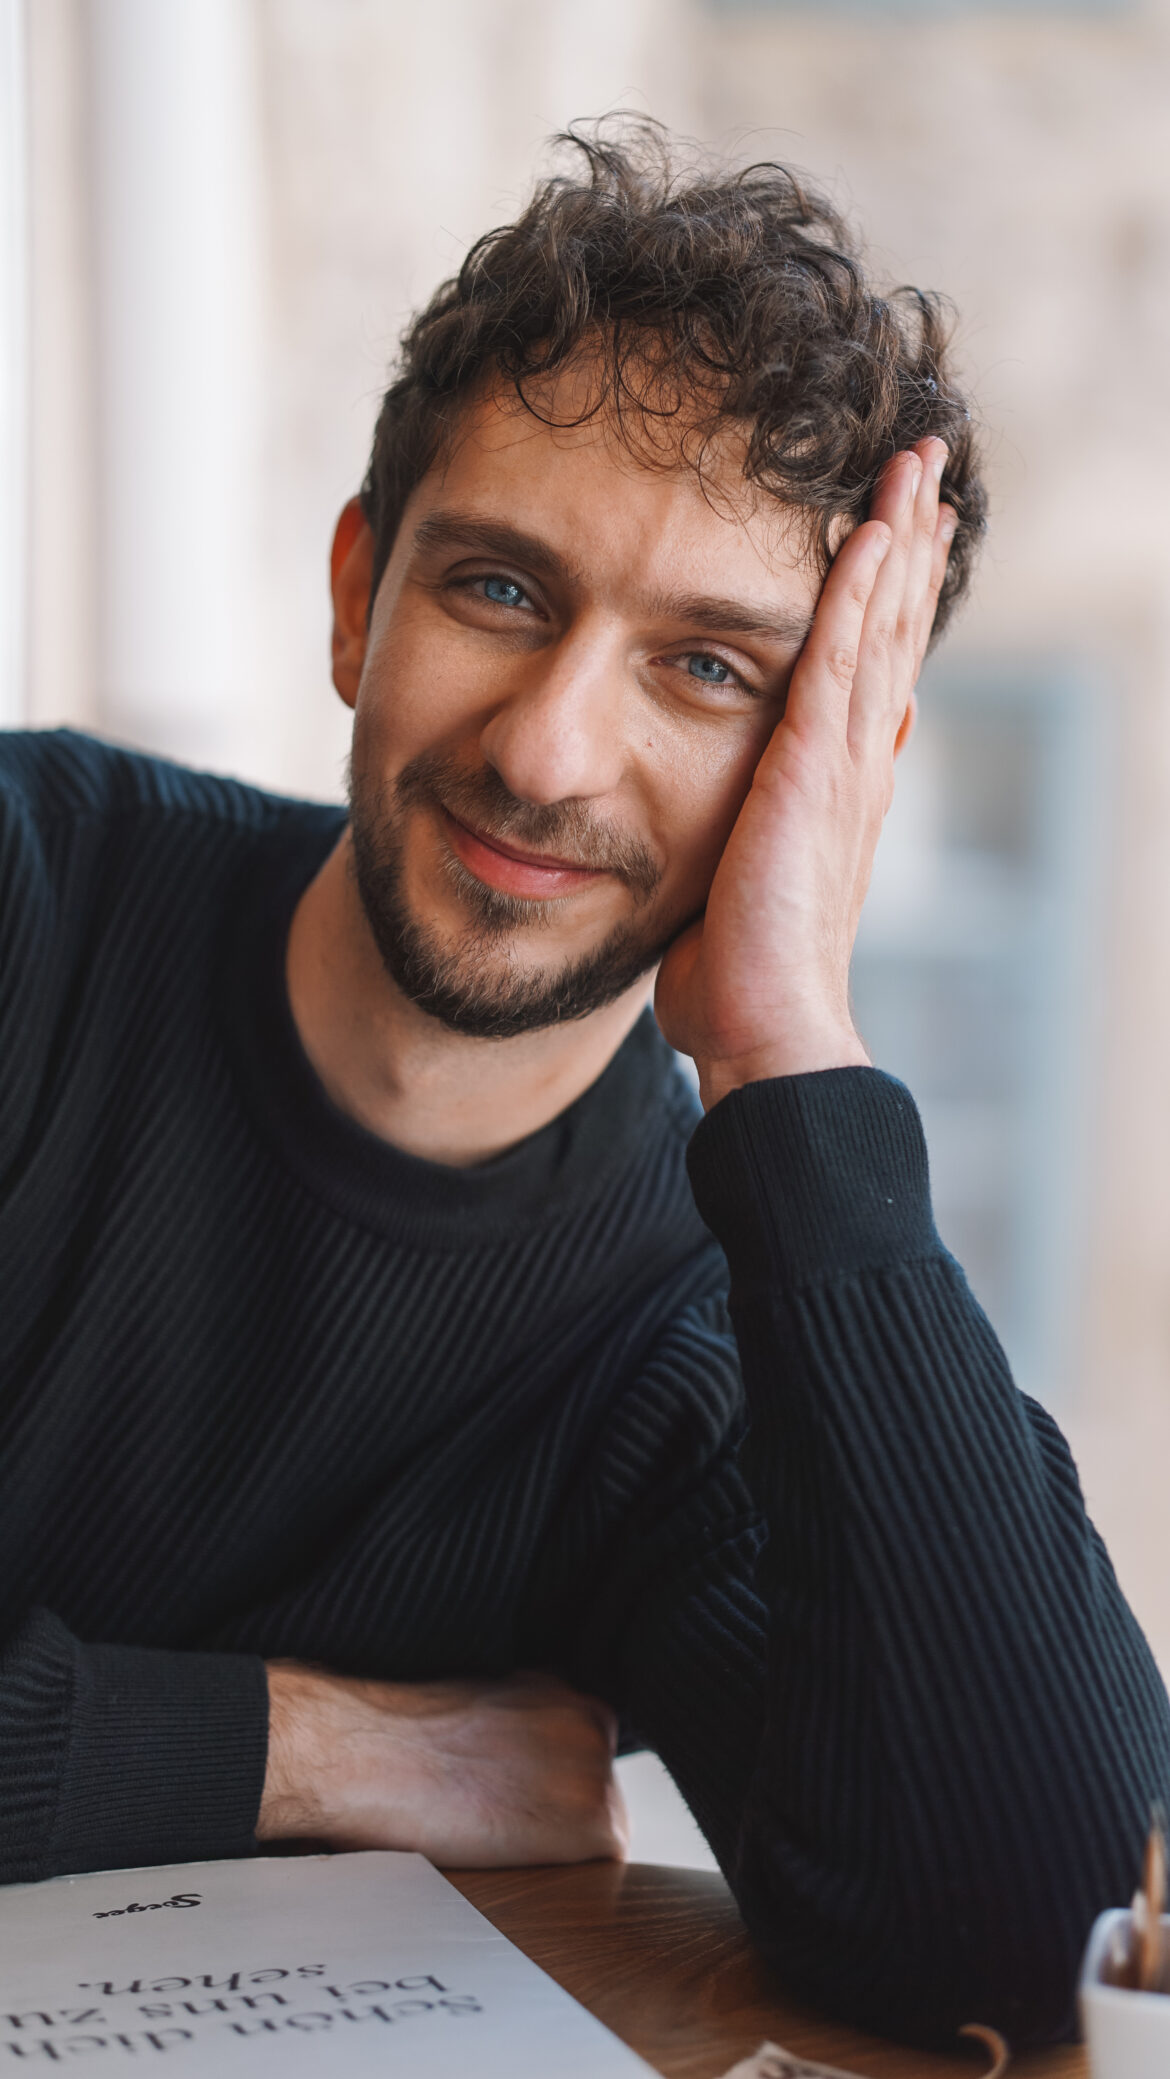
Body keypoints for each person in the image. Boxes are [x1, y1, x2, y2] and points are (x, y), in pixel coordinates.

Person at [0, 120, 1165, 2051]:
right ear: (360, 589)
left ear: (825, 768)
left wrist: (788, 1038)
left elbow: (1038, 1922)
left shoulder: (690, 1346)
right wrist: (330, 1752)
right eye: (503, 592)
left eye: (707, 672)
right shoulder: (30, 900)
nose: (548, 754)